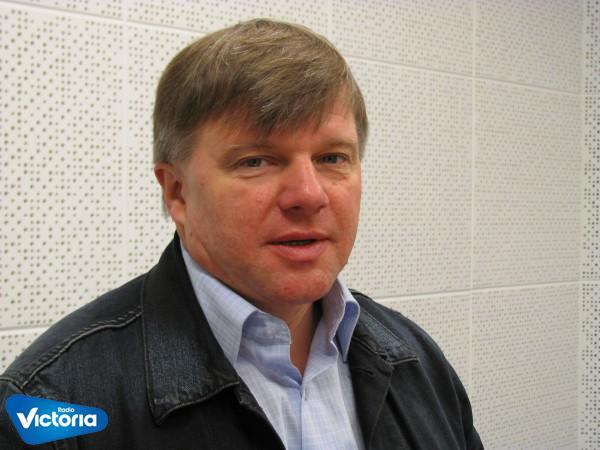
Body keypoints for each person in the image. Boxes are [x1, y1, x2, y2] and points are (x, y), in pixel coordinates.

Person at [0, 19, 483, 449]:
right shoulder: (51, 403)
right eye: (256, 161)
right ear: (177, 192)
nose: (308, 194)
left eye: (332, 158)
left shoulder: (416, 361)